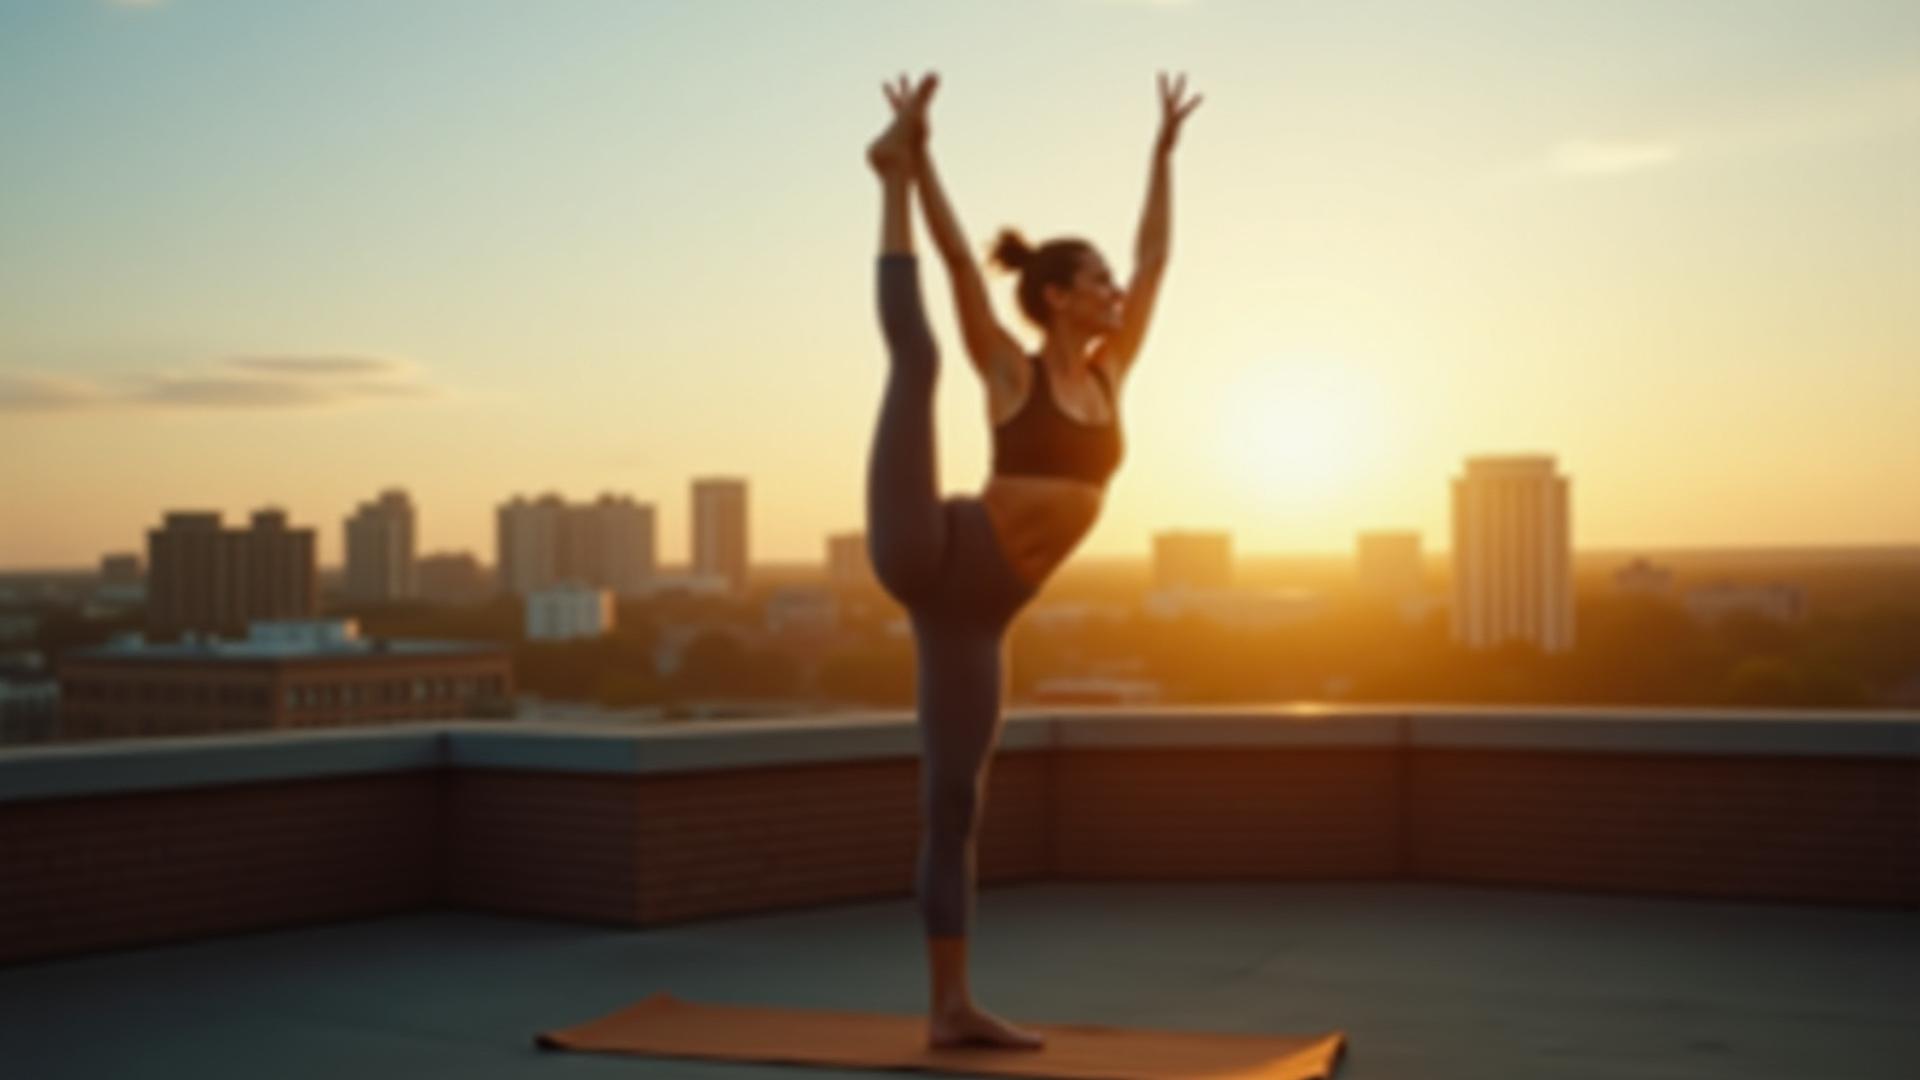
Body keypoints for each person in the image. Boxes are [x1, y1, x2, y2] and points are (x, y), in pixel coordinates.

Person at [864, 70, 1200, 1050]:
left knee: (955, 803)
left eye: (1112, 283)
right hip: (932, 547)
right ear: (1055, 298)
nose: (1116, 292)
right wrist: (919, 165)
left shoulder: (1112, 373)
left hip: (980, 616)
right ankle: (883, 175)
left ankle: (950, 1008)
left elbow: (1158, 255)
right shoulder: (1012, 371)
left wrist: (1162, 155)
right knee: (921, 358)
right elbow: (961, 267)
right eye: (1097, 282)